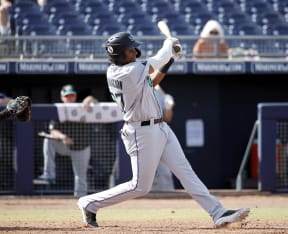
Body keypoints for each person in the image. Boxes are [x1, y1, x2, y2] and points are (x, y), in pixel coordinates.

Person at [77, 32, 250, 228]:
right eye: (129, 49)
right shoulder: (127, 71)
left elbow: (153, 81)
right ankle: (89, 203)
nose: (134, 51)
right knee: (140, 187)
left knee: (186, 173)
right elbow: (158, 58)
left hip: (159, 126)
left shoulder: (124, 70)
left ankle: (218, 212)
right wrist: (169, 45)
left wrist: (170, 61)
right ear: (119, 55)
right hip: (141, 132)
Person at [33, 84, 97, 197]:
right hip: (65, 144)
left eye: (72, 95)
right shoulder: (58, 109)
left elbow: (96, 104)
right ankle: (49, 174)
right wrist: (63, 137)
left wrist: (91, 99)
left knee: (80, 177)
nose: (70, 98)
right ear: (62, 98)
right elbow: (52, 131)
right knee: (49, 140)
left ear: (75, 96)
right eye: (67, 96)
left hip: (81, 148)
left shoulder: (83, 106)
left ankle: (80, 201)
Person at [151, 85, 175, 191]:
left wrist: (169, 107)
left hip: (159, 135)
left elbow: (167, 118)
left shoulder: (158, 92)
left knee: (165, 173)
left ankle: (169, 202)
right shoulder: (138, 88)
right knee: (144, 176)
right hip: (141, 135)